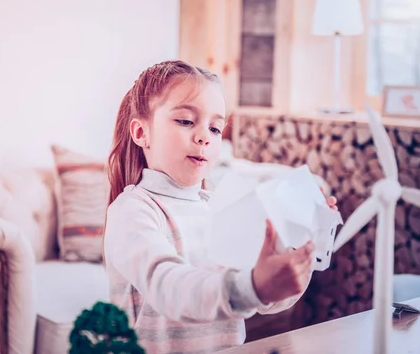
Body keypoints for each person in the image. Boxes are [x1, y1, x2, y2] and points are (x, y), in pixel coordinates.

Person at [103, 60, 338, 354]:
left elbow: (268, 300)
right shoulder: (133, 211)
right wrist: (252, 286)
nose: (204, 136)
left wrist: (300, 252)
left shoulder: (218, 207)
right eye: (186, 121)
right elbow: (169, 287)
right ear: (141, 133)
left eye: (215, 128)